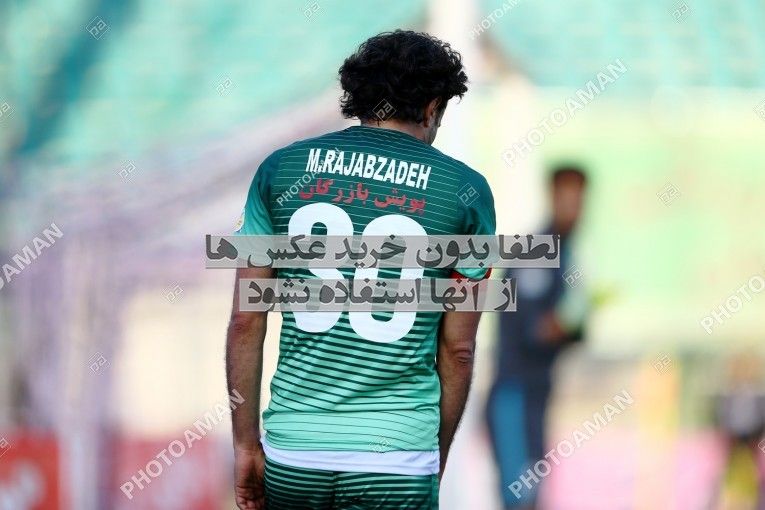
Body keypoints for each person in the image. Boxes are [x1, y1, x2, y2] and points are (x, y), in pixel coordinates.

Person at [225, 30, 496, 510]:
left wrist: (246, 445)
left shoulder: (282, 169)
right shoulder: (465, 191)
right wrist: (430, 456)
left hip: (295, 450)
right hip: (396, 455)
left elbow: (247, 320)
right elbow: (459, 350)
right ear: (432, 107)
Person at [487, 165, 588, 509]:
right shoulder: (535, 251)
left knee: (532, 496)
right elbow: (535, 331)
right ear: (552, 196)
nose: (574, 209)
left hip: (536, 396)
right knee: (520, 499)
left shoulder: (567, 253)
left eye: (579, 200)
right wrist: (570, 324)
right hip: (514, 398)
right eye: (567, 198)